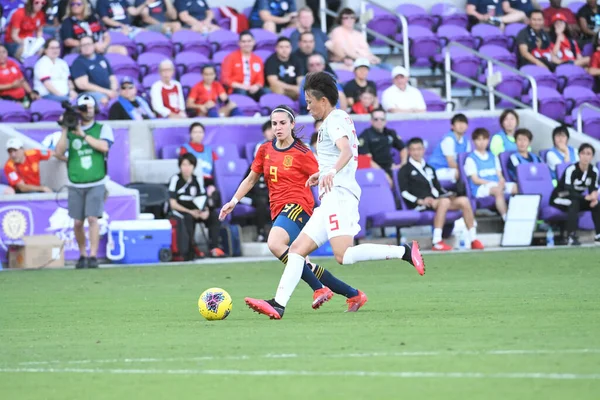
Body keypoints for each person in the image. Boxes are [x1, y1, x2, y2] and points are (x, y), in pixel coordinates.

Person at [242, 72, 425, 320]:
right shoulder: (337, 119)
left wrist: (330, 171)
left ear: (323, 101)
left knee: (344, 255)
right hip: (331, 195)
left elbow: (346, 151)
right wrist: (321, 174)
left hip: (339, 196)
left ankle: (404, 252)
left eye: (309, 101)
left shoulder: (334, 119)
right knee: (296, 250)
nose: (307, 107)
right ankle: (278, 304)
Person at [220, 104, 368, 314]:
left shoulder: (303, 152)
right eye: (274, 124)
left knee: (275, 243)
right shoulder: (265, 150)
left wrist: (333, 198)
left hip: (299, 206)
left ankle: (317, 289)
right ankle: (354, 294)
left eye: (282, 123)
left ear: (292, 124)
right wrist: (234, 201)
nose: (278, 127)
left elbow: (324, 174)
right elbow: (252, 178)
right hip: (278, 210)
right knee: (303, 264)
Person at [55, 94, 114, 269]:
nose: (87, 111)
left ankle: (93, 255)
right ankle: (82, 254)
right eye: (83, 108)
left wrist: (83, 135)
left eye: (89, 107)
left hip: (96, 180)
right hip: (76, 182)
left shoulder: (102, 128)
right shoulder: (71, 130)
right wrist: (65, 128)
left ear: (94, 109)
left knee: (92, 218)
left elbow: (104, 147)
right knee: (77, 222)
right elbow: (58, 152)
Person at [399, 137, 483, 251]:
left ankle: (473, 239)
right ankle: (437, 241)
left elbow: (438, 189)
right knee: (444, 202)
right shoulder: (405, 170)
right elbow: (404, 192)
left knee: (463, 200)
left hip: (437, 201)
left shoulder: (429, 168)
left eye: (419, 149)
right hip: (421, 204)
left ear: (423, 150)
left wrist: (449, 194)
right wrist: (419, 200)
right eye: (413, 149)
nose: (416, 152)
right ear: (409, 151)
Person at [168, 153, 225, 259]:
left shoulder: (197, 180)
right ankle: (190, 249)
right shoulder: (175, 179)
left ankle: (214, 248)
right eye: (184, 165)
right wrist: (190, 212)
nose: (186, 168)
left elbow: (203, 199)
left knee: (214, 216)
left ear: (193, 166)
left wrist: (206, 211)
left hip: (198, 210)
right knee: (188, 219)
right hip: (183, 211)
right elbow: (173, 204)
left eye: (189, 165)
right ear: (180, 166)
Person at [550, 143, 600, 245]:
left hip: (578, 198)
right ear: (579, 155)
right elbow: (569, 190)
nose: (585, 156)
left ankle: (598, 235)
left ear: (592, 157)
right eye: (583, 153)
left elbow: (593, 188)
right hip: (560, 196)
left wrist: (593, 198)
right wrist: (586, 197)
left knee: (597, 205)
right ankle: (571, 236)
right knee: (574, 203)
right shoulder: (571, 170)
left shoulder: (594, 171)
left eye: (588, 154)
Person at [464, 128, 517, 221]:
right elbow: (475, 180)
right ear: (474, 141)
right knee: (497, 190)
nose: (482, 142)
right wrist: (494, 183)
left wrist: (502, 181)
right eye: (479, 139)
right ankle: (507, 219)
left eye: (484, 139)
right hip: (480, 188)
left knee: (517, 187)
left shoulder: (493, 156)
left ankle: (519, 215)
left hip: (496, 184)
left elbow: (499, 174)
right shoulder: (471, 159)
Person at [61, 0, 125, 55]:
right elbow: (68, 42)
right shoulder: (67, 21)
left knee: (121, 50)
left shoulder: (93, 18)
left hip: (99, 45)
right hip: (80, 48)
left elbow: (106, 35)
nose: (75, 6)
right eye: (72, 4)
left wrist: (104, 45)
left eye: (78, 4)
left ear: (84, 5)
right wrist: (91, 46)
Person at [358, 108, 406, 179]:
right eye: (376, 119)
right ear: (371, 121)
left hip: (391, 168)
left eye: (382, 119)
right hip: (374, 171)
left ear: (385, 121)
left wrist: (403, 164)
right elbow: (366, 159)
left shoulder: (390, 133)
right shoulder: (365, 135)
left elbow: (403, 148)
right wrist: (382, 174)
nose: (379, 121)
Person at [71, 35, 118, 106]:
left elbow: (112, 77)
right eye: (83, 45)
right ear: (80, 48)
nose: (86, 47)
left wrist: (113, 90)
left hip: (108, 91)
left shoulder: (101, 58)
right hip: (90, 93)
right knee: (103, 100)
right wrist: (107, 92)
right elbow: (83, 85)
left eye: (89, 44)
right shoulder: (78, 62)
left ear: (93, 45)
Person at [220, 30, 266, 102]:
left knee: (266, 92)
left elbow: (260, 79)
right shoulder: (230, 57)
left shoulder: (257, 59)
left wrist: (256, 86)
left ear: (253, 42)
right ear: (239, 43)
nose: (246, 44)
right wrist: (242, 86)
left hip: (252, 89)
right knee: (242, 92)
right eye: (243, 42)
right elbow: (225, 79)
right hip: (237, 89)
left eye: (249, 41)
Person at [428, 113, 472, 183]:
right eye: (458, 123)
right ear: (452, 126)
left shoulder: (466, 140)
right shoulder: (449, 140)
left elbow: (467, 160)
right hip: (437, 169)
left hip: (452, 169)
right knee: (461, 173)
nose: (461, 125)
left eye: (463, 123)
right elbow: (451, 163)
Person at [34, 39, 77, 103]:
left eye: (57, 48)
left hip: (65, 95)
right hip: (47, 96)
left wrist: (71, 90)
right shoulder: (42, 63)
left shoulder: (62, 62)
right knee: (71, 102)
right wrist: (62, 96)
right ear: (45, 50)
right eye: (52, 48)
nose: (55, 50)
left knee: (84, 100)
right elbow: (47, 85)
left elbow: (69, 80)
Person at [179, 122, 218, 189]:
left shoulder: (209, 150)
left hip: (208, 181)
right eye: (195, 132)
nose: (198, 135)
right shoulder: (185, 149)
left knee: (213, 193)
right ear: (190, 134)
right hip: (192, 180)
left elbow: (218, 166)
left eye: (200, 132)